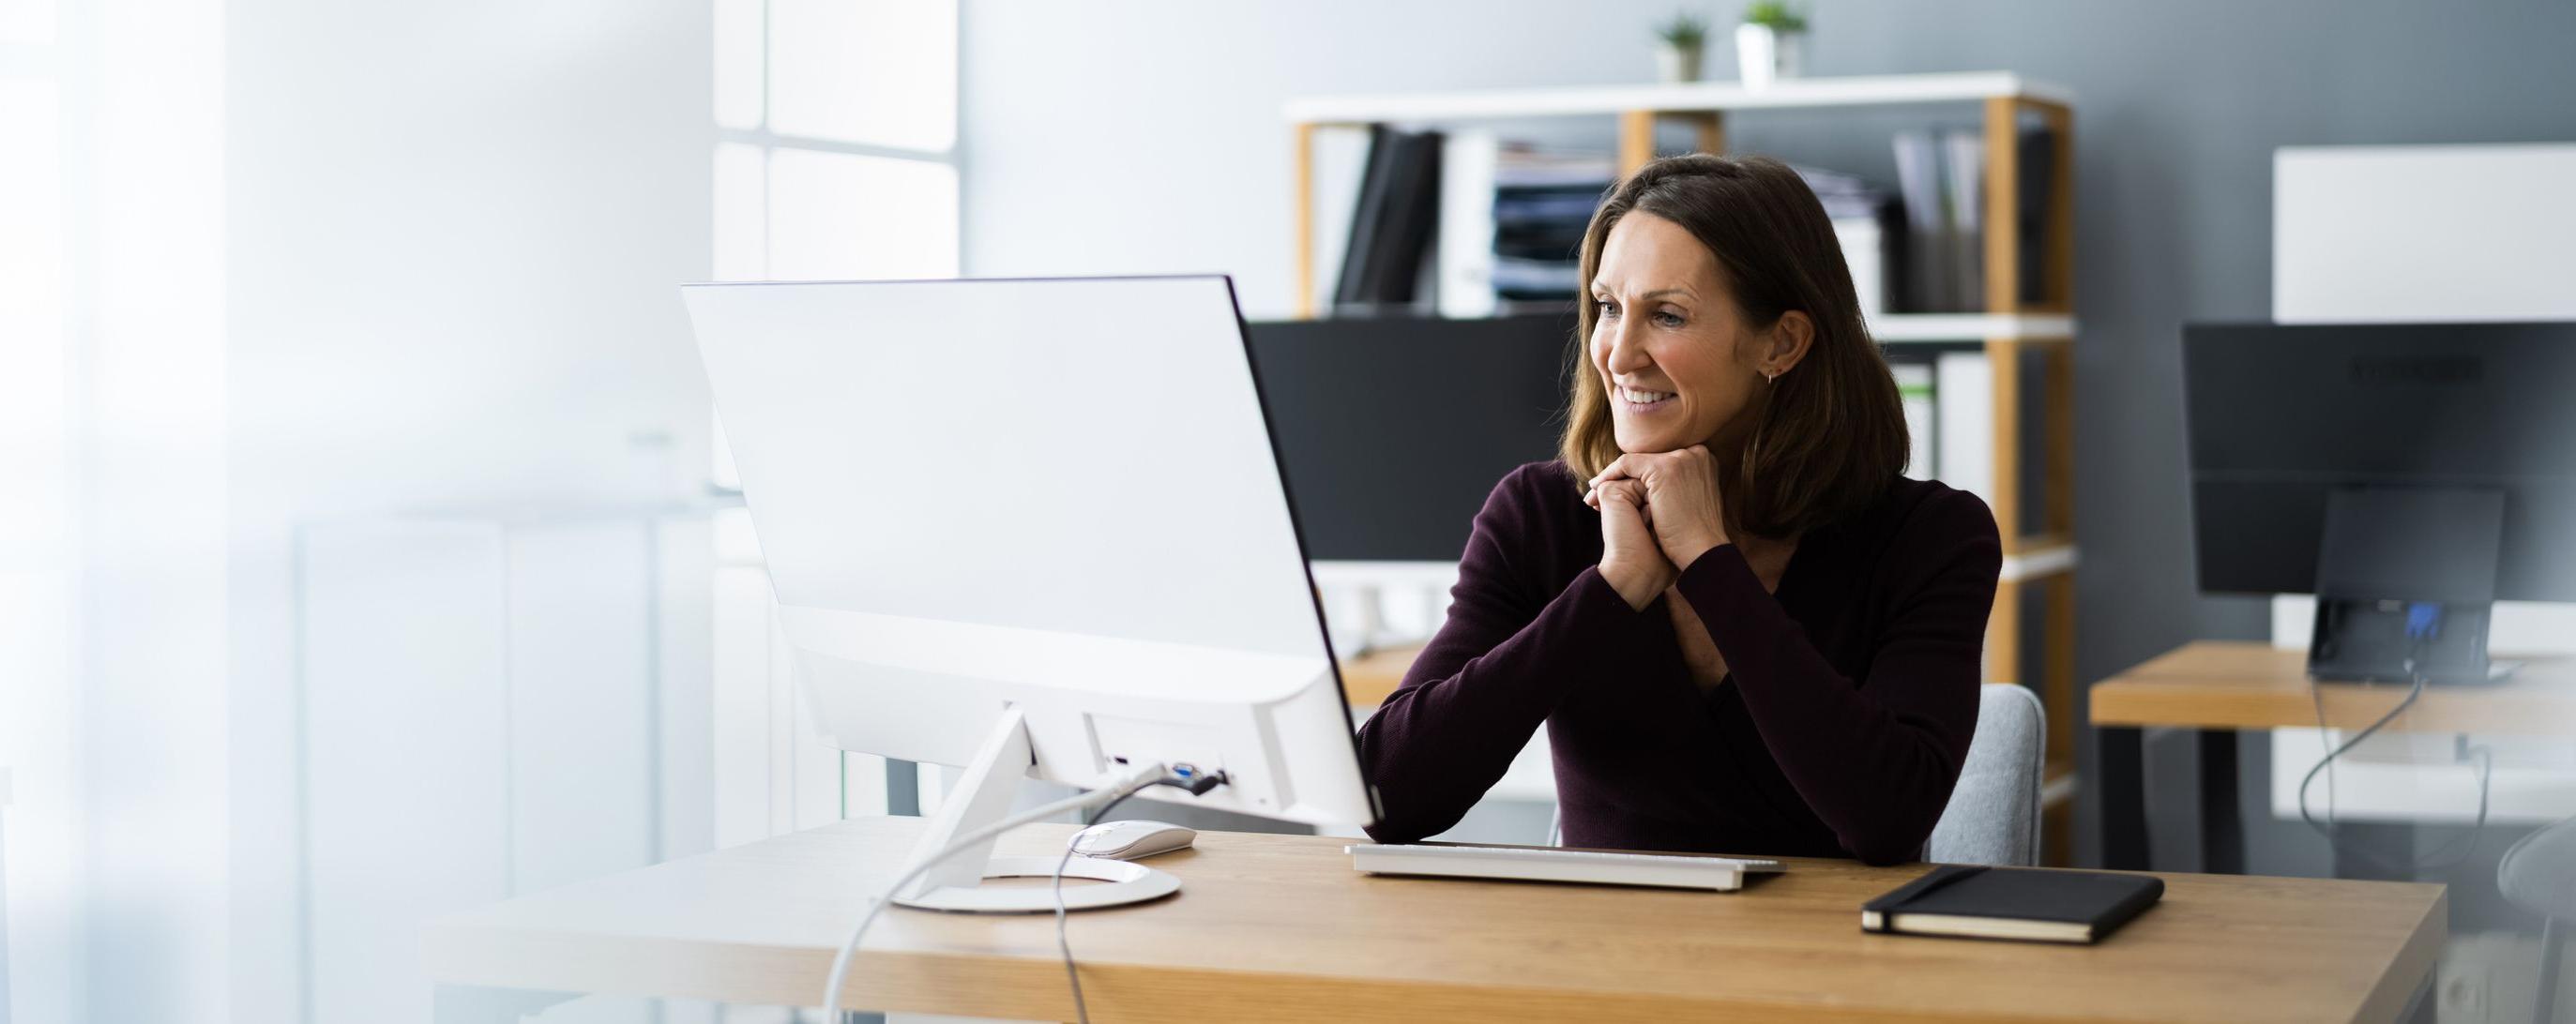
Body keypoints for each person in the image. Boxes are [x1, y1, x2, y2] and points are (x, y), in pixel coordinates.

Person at [1355, 154, 2003, 866]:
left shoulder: (1932, 536)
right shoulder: (1539, 514)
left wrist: (1707, 560)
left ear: (1781, 342)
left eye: (1667, 315)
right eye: (1607, 308)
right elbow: (1389, 798)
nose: (1618, 354)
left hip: (1834, 966)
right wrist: (1611, 587)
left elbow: (1887, 819)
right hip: (1603, 968)